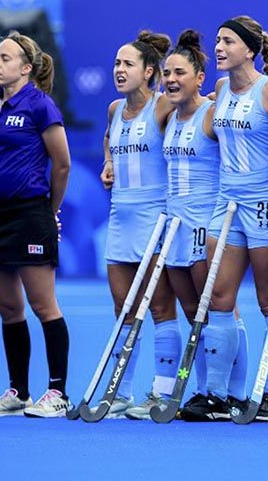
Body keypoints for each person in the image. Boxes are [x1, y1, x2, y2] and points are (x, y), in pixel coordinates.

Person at [182, 16, 268, 421]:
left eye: (228, 41)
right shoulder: (219, 89)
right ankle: (218, 394)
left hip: (263, 204)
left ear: (250, 50)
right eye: (218, 40)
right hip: (226, 204)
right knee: (218, 298)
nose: (219, 47)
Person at [0, 33, 71, 417]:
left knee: (43, 305)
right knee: (9, 310)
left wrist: (49, 209)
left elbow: (61, 164)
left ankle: (58, 393)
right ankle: (19, 392)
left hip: (31, 213)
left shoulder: (40, 106)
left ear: (26, 68)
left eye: (5, 58)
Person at [98, 31, 178, 418]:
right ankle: (121, 392)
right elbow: (108, 140)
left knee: (161, 307)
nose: (119, 69)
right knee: (122, 308)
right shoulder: (115, 110)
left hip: (154, 217)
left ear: (150, 71)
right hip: (120, 217)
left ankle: (161, 394)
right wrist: (108, 162)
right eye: (116, 63)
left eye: (127, 64)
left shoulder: (163, 107)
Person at [153, 31, 221, 418]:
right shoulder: (167, 116)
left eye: (180, 72)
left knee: (214, 311)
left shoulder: (211, 113)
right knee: (189, 309)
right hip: (174, 223)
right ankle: (199, 391)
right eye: (166, 73)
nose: (171, 79)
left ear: (199, 78)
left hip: (203, 220)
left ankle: (220, 392)